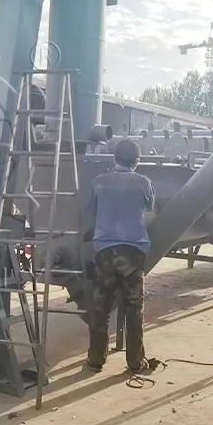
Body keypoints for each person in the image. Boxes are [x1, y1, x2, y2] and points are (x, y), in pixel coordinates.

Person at [85, 139, 155, 374]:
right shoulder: (143, 183)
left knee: (100, 307)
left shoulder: (99, 182)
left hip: (105, 251)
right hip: (133, 252)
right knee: (134, 308)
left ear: (114, 158)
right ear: (137, 161)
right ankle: (135, 362)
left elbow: (92, 211)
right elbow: (150, 207)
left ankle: (96, 360)